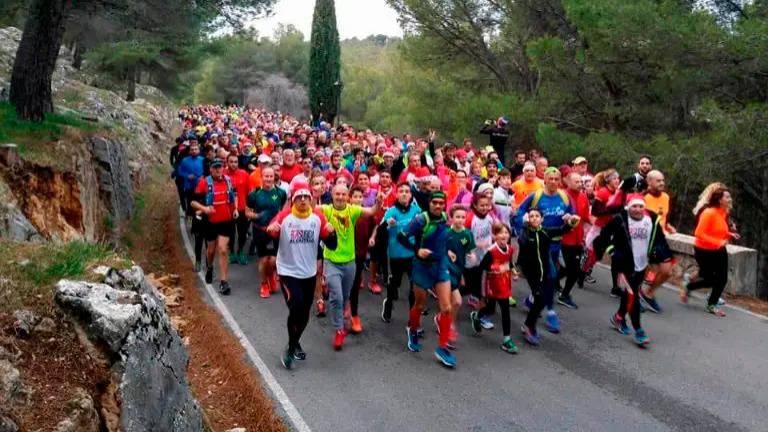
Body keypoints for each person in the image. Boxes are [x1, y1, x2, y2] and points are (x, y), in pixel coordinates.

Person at [266, 186, 337, 370]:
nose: (304, 200)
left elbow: (333, 245)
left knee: (305, 312)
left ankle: (294, 341)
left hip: (309, 272)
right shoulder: (285, 216)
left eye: (306, 197)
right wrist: (273, 229)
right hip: (288, 271)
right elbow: (272, 230)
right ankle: (290, 348)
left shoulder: (317, 218)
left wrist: (332, 232)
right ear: (293, 200)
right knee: (296, 306)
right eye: (299, 197)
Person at [593, 194, 671, 346]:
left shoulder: (651, 220)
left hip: (641, 264)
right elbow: (602, 237)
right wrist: (612, 251)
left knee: (630, 294)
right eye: (634, 206)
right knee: (633, 296)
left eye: (641, 206)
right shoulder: (619, 219)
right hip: (624, 264)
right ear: (628, 207)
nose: (638, 209)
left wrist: (662, 254)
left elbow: (659, 239)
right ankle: (639, 330)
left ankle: (618, 317)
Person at [397, 191, 456, 367]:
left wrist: (449, 251)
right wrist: (417, 251)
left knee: (446, 308)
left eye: (441, 203)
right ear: (429, 203)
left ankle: (442, 347)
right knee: (420, 304)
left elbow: (443, 239)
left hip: (440, 265)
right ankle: (412, 329)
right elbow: (401, 236)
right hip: (422, 267)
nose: (438, 206)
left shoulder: (446, 217)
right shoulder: (420, 220)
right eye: (434, 203)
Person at [514, 167, 575, 333]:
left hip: (556, 242)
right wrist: (523, 229)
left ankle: (532, 299)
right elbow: (520, 213)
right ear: (545, 180)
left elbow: (572, 216)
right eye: (551, 179)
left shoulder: (564, 196)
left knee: (551, 275)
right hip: (539, 243)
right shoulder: (536, 196)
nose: (554, 182)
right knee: (551, 276)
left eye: (557, 179)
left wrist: (570, 220)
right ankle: (550, 312)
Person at [321, 185, 381, 350]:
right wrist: (314, 194)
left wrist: (379, 202)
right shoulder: (326, 210)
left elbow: (371, 212)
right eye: (337, 194)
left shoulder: (352, 210)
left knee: (346, 296)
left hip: (350, 262)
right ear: (332, 195)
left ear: (347, 196)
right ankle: (339, 330)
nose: (340, 196)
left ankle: (342, 315)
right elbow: (311, 208)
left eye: (343, 194)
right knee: (337, 297)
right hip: (331, 261)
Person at [518, 208, 579, 346]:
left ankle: (528, 323)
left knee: (543, 299)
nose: (534, 218)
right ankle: (529, 326)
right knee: (539, 298)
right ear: (528, 218)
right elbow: (521, 252)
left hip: (545, 272)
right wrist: (517, 269)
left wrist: (571, 223)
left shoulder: (546, 231)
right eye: (531, 216)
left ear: (542, 219)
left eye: (537, 216)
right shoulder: (525, 233)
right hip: (531, 273)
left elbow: (561, 230)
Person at [681, 183, 738, 317]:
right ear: (719, 199)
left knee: (722, 279)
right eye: (727, 197)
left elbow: (718, 230)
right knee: (709, 279)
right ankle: (689, 287)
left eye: (730, 197)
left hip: (719, 250)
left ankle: (711, 304)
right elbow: (699, 233)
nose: (730, 199)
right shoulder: (709, 212)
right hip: (704, 250)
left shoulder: (724, 212)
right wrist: (718, 241)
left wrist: (729, 234)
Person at [190, 158, 238, 295]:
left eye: (220, 167)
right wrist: (204, 209)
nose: (218, 170)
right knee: (211, 251)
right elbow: (193, 202)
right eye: (215, 167)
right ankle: (210, 267)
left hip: (226, 221)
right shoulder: (204, 182)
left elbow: (234, 195)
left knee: (223, 249)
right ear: (211, 169)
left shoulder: (228, 180)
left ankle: (224, 282)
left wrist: (234, 209)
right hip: (210, 222)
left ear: (223, 168)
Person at [470, 223, 519, 354]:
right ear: (494, 236)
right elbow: (482, 268)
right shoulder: (491, 252)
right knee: (490, 309)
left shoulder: (510, 248)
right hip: (491, 285)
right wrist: (498, 269)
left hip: (504, 284)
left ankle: (507, 340)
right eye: (500, 233)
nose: (504, 235)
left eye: (506, 232)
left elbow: (509, 262)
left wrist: (513, 271)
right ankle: (477, 315)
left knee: (505, 311)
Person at [380, 182, 421, 323]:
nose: (404, 193)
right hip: (396, 254)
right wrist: (387, 224)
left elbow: (423, 228)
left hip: (412, 254)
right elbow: (380, 230)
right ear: (396, 194)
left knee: (413, 286)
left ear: (410, 195)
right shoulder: (391, 211)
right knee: (395, 283)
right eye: (401, 191)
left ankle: (413, 318)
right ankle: (389, 303)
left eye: (407, 191)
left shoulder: (416, 210)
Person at [246, 167, 288, 298]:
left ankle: (271, 275)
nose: (269, 179)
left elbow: (284, 211)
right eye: (266, 176)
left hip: (275, 231)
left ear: (274, 177)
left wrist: (279, 223)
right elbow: (247, 213)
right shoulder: (254, 194)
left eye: (271, 176)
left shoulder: (281, 193)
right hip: (260, 230)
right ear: (262, 177)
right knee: (264, 260)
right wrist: (258, 216)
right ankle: (264, 284)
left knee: (274, 260)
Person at [640, 170, 677, 313]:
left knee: (667, 271)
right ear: (649, 182)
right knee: (642, 270)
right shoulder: (643, 197)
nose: (662, 183)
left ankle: (648, 294)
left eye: (663, 180)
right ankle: (634, 296)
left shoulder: (666, 197)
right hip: (645, 237)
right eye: (658, 181)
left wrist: (667, 226)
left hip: (659, 237)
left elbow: (663, 217)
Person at [443, 204, 475, 350]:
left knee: (452, 304)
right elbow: (438, 250)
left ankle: (447, 323)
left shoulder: (467, 234)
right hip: (445, 271)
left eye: (463, 217)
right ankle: (448, 328)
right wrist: (447, 252)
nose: (460, 220)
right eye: (457, 217)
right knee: (456, 301)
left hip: (458, 271)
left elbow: (469, 251)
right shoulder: (446, 234)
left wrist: (472, 256)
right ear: (451, 218)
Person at [558, 172, 591, 309]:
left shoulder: (583, 197)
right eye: (576, 182)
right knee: (571, 269)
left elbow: (586, 217)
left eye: (581, 182)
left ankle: (555, 287)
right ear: (568, 182)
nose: (580, 184)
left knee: (572, 270)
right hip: (563, 239)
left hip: (578, 240)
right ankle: (563, 294)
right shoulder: (562, 196)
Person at [349, 186, 376, 334]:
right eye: (355, 196)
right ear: (350, 198)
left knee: (354, 285)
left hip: (359, 254)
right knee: (343, 286)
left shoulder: (367, 213)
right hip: (344, 256)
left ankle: (354, 315)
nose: (358, 199)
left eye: (361, 197)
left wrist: (372, 237)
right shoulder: (344, 212)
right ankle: (344, 307)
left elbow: (375, 225)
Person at [224, 154, 250, 265]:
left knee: (242, 232)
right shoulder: (223, 174)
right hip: (228, 209)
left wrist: (250, 208)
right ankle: (232, 252)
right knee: (230, 232)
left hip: (242, 208)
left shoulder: (244, 174)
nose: (234, 164)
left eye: (235, 162)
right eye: (231, 161)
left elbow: (249, 192)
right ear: (227, 162)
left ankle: (240, 251)